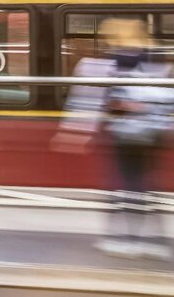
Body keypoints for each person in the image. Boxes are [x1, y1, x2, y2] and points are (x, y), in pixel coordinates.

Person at [54, 18, 172, 259]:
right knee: (145, 186)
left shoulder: (110, 64)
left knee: (124, 185)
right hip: (153, 133)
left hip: (125, 133)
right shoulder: (156, 62)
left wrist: (74, 132)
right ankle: (153, 241)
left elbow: (88, 99)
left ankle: (124, 240)